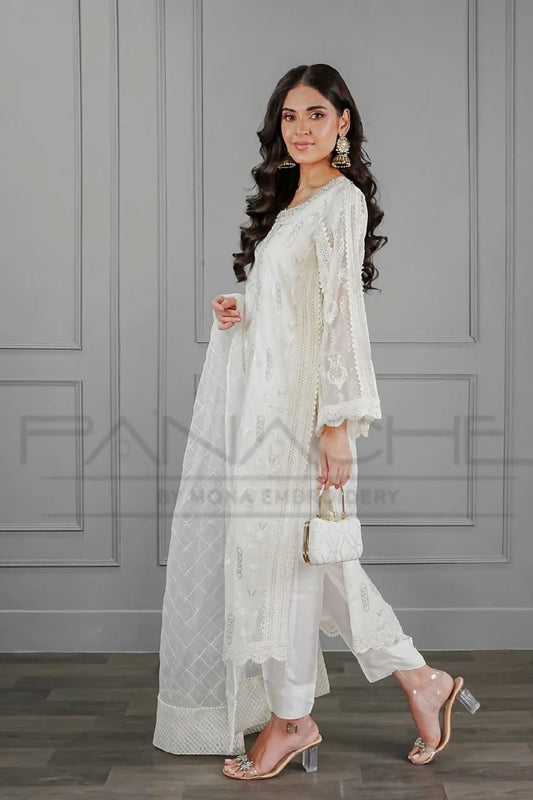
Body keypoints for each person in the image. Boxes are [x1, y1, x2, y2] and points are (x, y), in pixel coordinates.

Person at [152, 63, 480, 781]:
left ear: (343, 123)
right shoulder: (291, 201)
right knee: (310, 559)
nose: (300, 129)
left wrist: (338, 422)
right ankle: (422, 680)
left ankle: (292, 718)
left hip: (305, 415)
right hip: (265, 408)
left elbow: (340, 318)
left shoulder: (340, 201)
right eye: (289, 116)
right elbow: (292, 308)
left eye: (316, 115)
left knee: (295, 563)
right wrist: (241, 309)